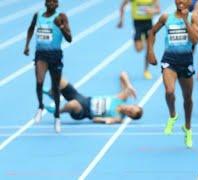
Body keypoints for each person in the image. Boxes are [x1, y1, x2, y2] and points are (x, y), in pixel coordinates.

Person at [147, 0, 198, 148]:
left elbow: (195, 40)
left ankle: (188, 128)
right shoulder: (166, 17)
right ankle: (173, 115)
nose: (180, 1)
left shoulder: (193, 17)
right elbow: (151, 32)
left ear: (189, 1)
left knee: (187, 98)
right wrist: (150, 51)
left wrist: (185, 21)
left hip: (186, 61)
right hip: (169, 60)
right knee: (169, 91)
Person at [23, 0, 72, 133]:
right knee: (39, 82)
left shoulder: (61, 17)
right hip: (41, 55)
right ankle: (40, 107)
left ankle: (57, 116)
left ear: (57, 5)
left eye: (55, 2)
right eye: (50, 1)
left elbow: (69, 38)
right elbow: (31, 28)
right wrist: (27, 45)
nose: (52, 3)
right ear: (45, 3)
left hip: (55, 55)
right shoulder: (37, 15)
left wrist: (61, 26)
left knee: (55, 88)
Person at [44, 72, 143, 125]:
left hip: (83, 111)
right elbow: (122, 74)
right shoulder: (121, 98)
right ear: (132, 105)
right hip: (83, 98)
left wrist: (106, 120)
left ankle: (58, 111)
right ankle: (53, 93)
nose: (128, 110)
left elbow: (95, 119)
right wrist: (129, 86)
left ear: (129, 116)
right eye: (131, 108)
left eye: (130, 113)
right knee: (58, 78)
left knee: (72, 104)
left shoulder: (117, 117)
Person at [117, 0, 160, 80]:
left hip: (148, 23)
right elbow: (122, 6)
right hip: (137, 24)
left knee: (149, 49)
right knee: (138, 49)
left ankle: (146, 71)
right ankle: (141, 40)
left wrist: (152, 11)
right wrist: (121, 20)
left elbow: (158, 10)